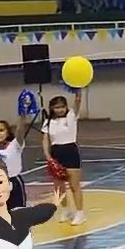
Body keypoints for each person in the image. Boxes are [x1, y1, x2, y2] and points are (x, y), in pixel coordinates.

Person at [41, 91, 86, 225]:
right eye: (57, 107)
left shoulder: (71, 116)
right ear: (52, 108)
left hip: (70, 151)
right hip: (56, 152)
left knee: (74, 185)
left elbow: (77, 101)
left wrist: (78, 91)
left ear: (66, 107)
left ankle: (80, 213)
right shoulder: (48, 122)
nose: (60, 109)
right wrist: (48, 156)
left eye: (62, 107)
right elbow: (45, 139)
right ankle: (66, 210)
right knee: (59, 187)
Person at [0, 115, 32, 209]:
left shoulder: (15, 145)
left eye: (1, 130)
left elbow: (20, 131)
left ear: (8, 133)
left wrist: (22, 117)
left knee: (18, 211)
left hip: (14, 182)